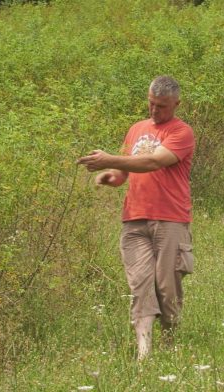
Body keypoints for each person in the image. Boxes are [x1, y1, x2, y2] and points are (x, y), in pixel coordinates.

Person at [77, 75, 195, 360]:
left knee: (167, 287)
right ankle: (144, 352)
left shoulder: (182, 132)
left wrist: (109, 160)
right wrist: (111, 176)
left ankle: (171, 340)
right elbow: (125, 172)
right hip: (134, 219)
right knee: (140, 283)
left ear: (176, 104)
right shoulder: (136, 129)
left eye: (162, 106)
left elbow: (154, 162)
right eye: (152, 104)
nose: (155, 111)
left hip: (170, 218)